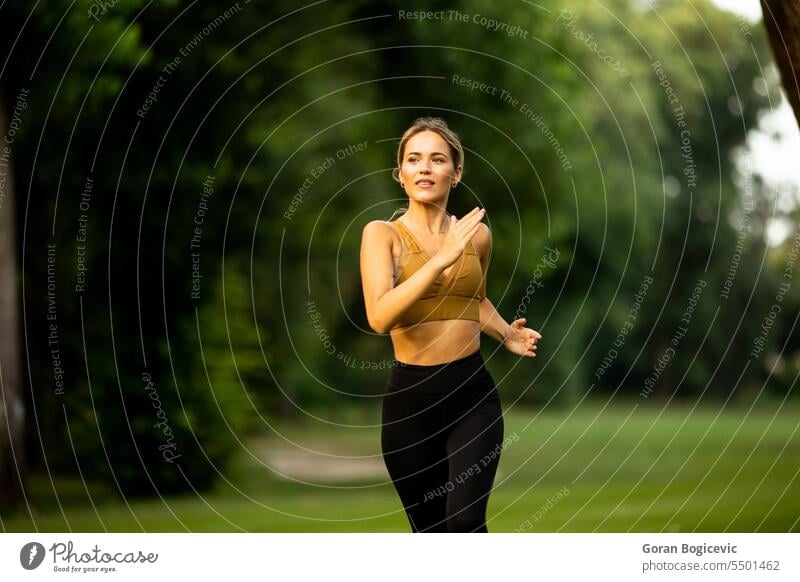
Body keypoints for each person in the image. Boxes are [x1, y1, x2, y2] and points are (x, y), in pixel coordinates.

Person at [360, 116, 542, 532]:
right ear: (400, 173)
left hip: (471, 395)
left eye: (437, 159)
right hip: (410, 403)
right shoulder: (381, 234)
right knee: (432, 533)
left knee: (465, 525)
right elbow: (380, 316)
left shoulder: (475, 237)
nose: (425, 168)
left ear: (456, 173)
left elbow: (470, 301)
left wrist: (506, 334)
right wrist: (440, 260)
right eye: (414, 159)